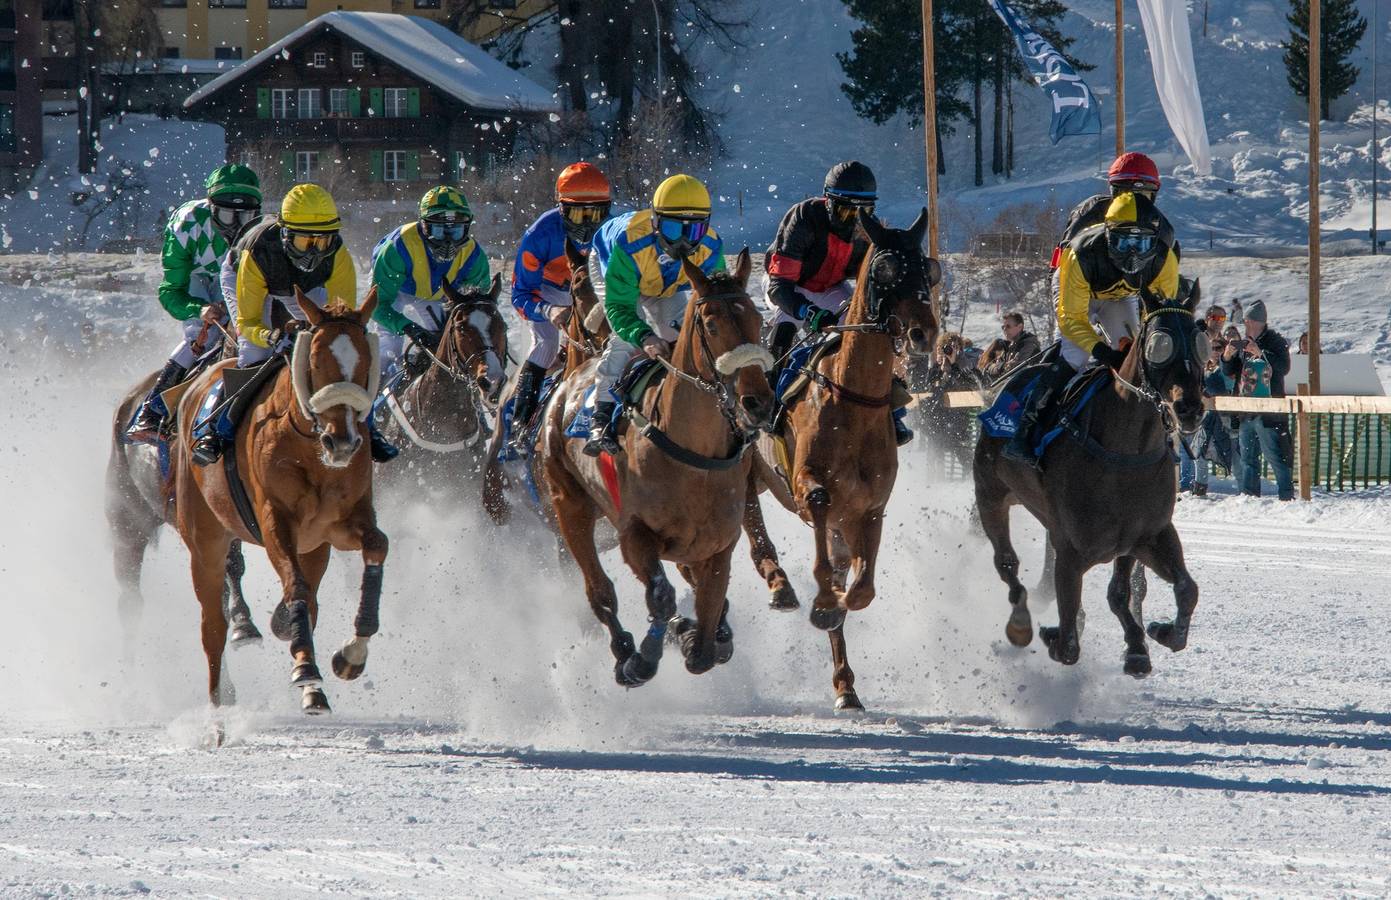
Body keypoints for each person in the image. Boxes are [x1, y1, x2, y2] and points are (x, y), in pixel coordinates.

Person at [191, 183, 398, 465]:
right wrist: (271, 335)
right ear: (286, 233)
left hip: (303, 287)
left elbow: (342, 323)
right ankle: (218, 431)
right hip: (248, 274)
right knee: (253, 354)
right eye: (305, 242)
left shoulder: (338, 256)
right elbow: (248, 322)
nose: (314, 251)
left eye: (322, 241)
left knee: (344, 356)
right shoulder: (258, 252)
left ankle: (369, 430)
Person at [1004, 191, 1180, 467]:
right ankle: (1027, 429)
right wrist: (1101, 350)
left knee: (1138, 356)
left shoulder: (1164, 258)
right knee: (1076, 357)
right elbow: (1071, 319)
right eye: (1124, 242)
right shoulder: (1080, 253)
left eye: (1141, 242)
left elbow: (1160, 315)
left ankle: (1162, 430)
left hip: (1120, 296)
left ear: (1155, 239)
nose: (1133, 253)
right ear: (1109, 234)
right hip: (1078, 291)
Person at [762, 161, 914, 445]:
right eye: (846, 211)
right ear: (828, 202)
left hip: (832, 288)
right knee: (784, 333)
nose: (854, 221)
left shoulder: (868, 232)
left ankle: (892, 411)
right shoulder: (804, 218)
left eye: (863, 212)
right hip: (790, 287)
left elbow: (874, 287)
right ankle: (771, 406)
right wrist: (807, 311)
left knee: (869, 332)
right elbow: (778, 287)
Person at [584, 173, 724, 457]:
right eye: (674, 230)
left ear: (706, 227)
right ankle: (600, 416)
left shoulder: (711, 248)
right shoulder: (628, 243)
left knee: (680, 336)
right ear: (656, 222)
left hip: (665, 282)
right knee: (625, 341)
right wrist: (644, 335)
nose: (684, 243)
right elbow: (620, 309)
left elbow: (718, 302)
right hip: (612, 266)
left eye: (693, 232)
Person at [125, 164, 262, 442]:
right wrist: (199, 309)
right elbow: (170, 292)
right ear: (211, 208)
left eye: (245, 214)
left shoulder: (262, 231)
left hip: (241, 283)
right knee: (205, 334)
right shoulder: (186, 224)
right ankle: (151, 411)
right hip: (199, 283)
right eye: (226, 214)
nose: (236, 225)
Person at [508, 162, 612, 441]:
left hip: (595, 288)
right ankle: (520, 421)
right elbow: (519, 295)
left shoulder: (615, 232)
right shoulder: (539, 234)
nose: (589, 223)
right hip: (547, 290)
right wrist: (549, 309)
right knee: (547, 344)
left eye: (596, 214)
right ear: (562, 209)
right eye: (579, 214)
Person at [371, 186, 491, 376]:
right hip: (397, 291)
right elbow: (377, 306)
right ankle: (376, 393)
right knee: (389, 345)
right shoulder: (397, 248)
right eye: (439, 230)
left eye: (456, 231)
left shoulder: (475, 257)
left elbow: (481, 310)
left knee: (447, 343)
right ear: (424, 225)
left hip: (436, 296)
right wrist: (408, 327)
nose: (448, 241)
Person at [1223, 299, 1293, 500]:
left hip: (1269, 411)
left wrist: (1260, 353)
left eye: (1246, 322)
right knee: (1247, 457)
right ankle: (1249, 496)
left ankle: (1286, 496)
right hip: (1246, 410)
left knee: (1275, 455)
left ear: (1253, 322)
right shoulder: (1244, 344)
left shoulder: (1275, 342)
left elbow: (1283, 367)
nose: (1245, 326)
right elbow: (1230, 372)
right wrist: (1227, 357)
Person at [1055, 152, 1178, 256]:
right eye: (1126, 193)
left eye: (1143, 195)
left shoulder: (1162, 228)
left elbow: (1168, 273)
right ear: (1113, 191)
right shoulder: (1091, 213)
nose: (1134, 201)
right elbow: (1065, 259)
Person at [978, 311, 1042, 382]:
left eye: (1008, 326)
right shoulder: (1011, 345)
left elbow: (1011, 370)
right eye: (1003, 327)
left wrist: (999, 366)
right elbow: (990, 368)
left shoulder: (1029, 345)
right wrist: (1000, 366)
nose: (1005, 329)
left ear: (1020, 327)